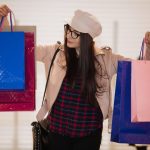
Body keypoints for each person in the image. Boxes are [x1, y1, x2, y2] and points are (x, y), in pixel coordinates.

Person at [1, 4, 150, 150]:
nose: (68, 35)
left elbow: (141, 68)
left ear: (87, 37)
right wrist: (3, 21)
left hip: (89, 135)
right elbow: (19, 47)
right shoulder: (54, 52)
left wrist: (148, 46)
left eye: (75, 33)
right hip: (57, 132)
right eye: (68, 29)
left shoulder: (106, 59)